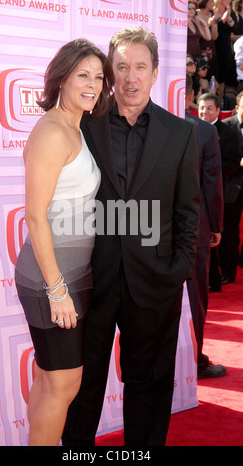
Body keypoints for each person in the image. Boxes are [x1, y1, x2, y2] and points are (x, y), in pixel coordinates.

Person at [62, 26, 200, 447]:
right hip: (93, 281)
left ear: (156, 73)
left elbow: (188, 212)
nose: (131, 76)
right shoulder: (86, 127)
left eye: (140, 66)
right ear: (111, 72)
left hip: (155, 283)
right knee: (82, 391)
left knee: (149, 388)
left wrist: (175, 271)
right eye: (121, 66)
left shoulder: (181, 134)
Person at [14, 39, 114, 446]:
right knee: (65, 383)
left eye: (98, 77)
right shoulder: (53, 131)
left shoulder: (75, 125)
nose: (92, 84)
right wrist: (57, 290)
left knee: (49, 379)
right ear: (62, 78)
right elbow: (35, 216)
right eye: (83, 75)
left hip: (69, 274)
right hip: (50, 279)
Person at [185, 75, 225, 379]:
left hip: (145, 227)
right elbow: (212, 182)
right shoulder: (202, 131)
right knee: (195, 297)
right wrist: (216, 225)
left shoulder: (142, 124)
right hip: (195, 228)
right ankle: (193, 361)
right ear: (189, 94)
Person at [198, 93, 241, 291]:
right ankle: (209, 276)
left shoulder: (228, 132)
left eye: (208, 108)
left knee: (226, 234)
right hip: (197, 192)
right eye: (201, 108)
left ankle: (227, 272)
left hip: (224, 191)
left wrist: (210, 170)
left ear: (217, 110)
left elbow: (233, 162)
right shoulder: (191, 127)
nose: (204, 112)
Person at [220, 91, 243, 282]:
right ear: (237, 108)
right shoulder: (226, 127)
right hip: (232, 186)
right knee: (229, 231)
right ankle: (228, 271)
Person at [213, 0, 235, 102]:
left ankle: (220, 103)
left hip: (227, 47)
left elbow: (233, 27)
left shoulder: (229, 12)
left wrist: (228, 17)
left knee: (223, 78)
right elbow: (214, 25)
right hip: (216, 47)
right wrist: (223, 19)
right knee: (216, 76)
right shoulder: (214, 10)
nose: (230, 0)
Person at [197, 0, 219, 81]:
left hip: (210, 48)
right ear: (205, 1)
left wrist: (213, 22)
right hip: (199, 46)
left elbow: (214, 36)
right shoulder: (196, 14)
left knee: (212, 74)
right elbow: (199, 32)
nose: (214, 4)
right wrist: (208, 24)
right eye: (212, 1)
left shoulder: (212, 15)